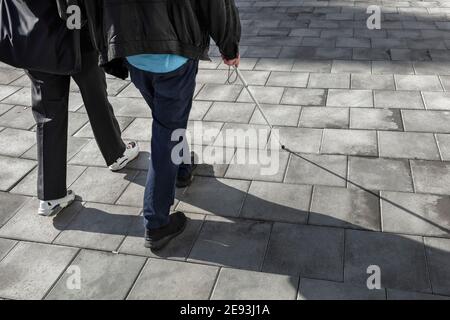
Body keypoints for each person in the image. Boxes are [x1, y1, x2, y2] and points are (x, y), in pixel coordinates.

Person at [84, 0, 241, 250]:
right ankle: (156, 222)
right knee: (166, 132)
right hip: (173, 53)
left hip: (133, 51)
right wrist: (229, 45)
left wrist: (106, 46)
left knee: (167, 122)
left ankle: (181, 168)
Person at [25, 1, 139, 216]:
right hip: (75, 35)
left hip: (34, 37)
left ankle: (51, 196)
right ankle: (116, 153)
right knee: (95, 94)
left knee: (48, 115)